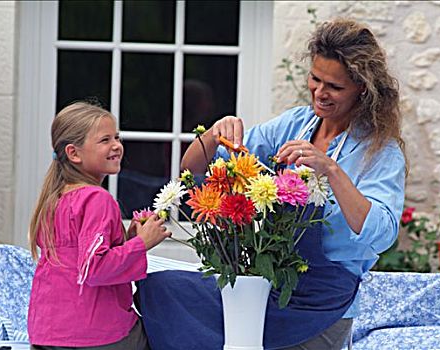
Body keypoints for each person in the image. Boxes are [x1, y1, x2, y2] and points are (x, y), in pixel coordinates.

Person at [139, 18, 406, 350]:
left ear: (362, 89)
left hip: (323, 303)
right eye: (315, 79)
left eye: (334, 87)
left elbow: (381, 234)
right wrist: (213, 133)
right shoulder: (295, 124)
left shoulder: (380, 151)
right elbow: (193, 169)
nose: (320, 93)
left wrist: (331, 171)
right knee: (164, 286)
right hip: (266, 284)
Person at [27, 102, 171, 350]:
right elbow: (95, 268)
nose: (116, 145)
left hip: (47, 333)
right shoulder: (97, 199)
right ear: (74, 153)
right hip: (96, 334)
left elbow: (77, 262)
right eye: (105, 140)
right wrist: (141, 243)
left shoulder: (54, 199)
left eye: (117, 137)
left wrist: (126, 239)